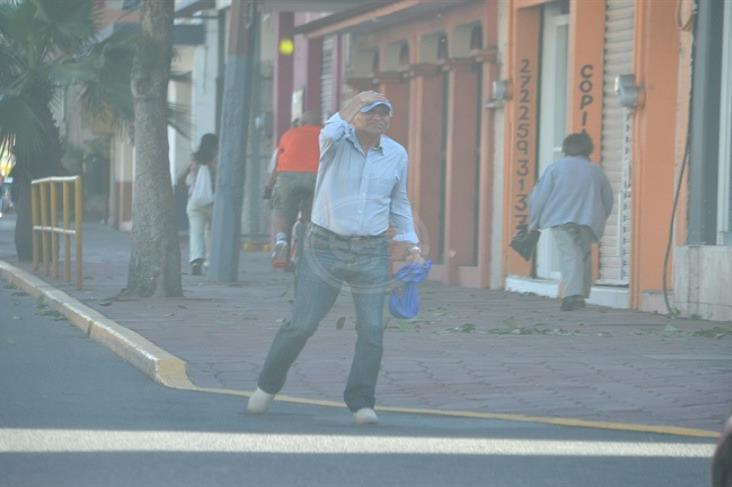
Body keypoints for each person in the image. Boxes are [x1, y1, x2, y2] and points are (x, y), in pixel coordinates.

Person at [248, 91, 424, 425]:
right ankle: (267, 387)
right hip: (324, 247)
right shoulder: (333, 143)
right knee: (302, 324)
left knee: (372, 329)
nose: (378, 117)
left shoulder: (397, 154)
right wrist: (352, 104)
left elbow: (399, 202)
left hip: (371, 250)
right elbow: (330, 130)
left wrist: (410, 244)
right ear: (353, 115)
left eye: (385, 112)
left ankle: (361, 402)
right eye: (370, 111)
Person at [528, 132, 613, 311]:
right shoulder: (596, 171)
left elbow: (539, 198)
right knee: (583, 255)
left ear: (565, 148)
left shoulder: (555, 169)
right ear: (588, 149)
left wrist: (533, 223)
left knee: (570, 255)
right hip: (588, 221)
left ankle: (572, 295)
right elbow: (608, 199)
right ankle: (580, 294)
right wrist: (600, 218)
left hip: (560, 220)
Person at [266, 111, 322, 269]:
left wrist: (269, 186)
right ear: (321, 123)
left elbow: (277, 164)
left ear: (301, 122)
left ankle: (282, 242)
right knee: (315, 217)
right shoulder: (325, 134)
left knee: (281, 211)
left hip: (288, 177)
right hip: (316, 177)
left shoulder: (289, 135)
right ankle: (312, 251)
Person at [185, 133, 218, 276]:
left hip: (195, 201)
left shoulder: (194, 159)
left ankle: (196, 260)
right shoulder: (217, 160)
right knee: (212, 232)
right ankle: (211, 261)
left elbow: (186, 177)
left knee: (195, 232)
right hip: (213, 202)